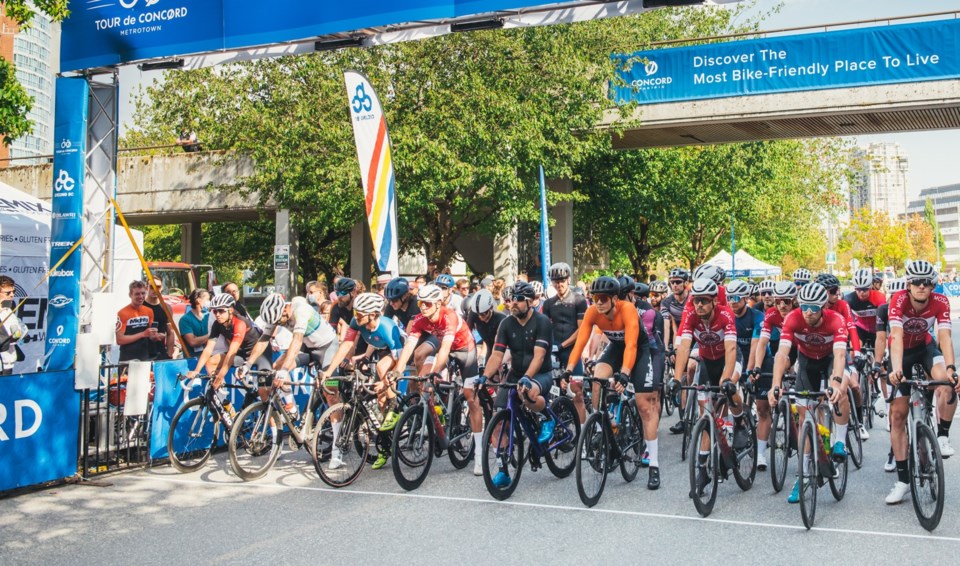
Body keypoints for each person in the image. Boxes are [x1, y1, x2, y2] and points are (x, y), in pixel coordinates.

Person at [561, 276, 659, 489]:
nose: (598, 302)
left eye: (603, 298)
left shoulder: (627, 310)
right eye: (594, 297)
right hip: (616, 347)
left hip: (640, 350)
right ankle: (601, 425)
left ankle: (654, 464)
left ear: (615, 298)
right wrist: (568, 369)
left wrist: (624, 373)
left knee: (644, 405)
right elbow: (580, 343)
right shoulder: (593, 312)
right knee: (598, 378)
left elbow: (632, 345)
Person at [768, 282, 850, 504]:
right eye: (805, 306)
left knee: (841, 390)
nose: (809, 312)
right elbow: (783, 354)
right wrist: (775, 384)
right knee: (804, 417)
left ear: (823, 306)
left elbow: (840, 356)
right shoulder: (793, 319)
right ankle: (803, 475)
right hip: (807, 363)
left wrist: (836, 382)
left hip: (831, 359)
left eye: (814, 307)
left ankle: (840, 441)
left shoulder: (836, 320)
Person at [886, 260, 958, 504]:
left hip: (924, 347)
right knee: (897, 415)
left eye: (926, 282)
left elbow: (944, 336)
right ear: (908, 284)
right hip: (900, 354)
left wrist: (951, 368)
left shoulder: (940, 302)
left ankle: (943, 436)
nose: (921, 286)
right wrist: (896, 369)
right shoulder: (898, 300)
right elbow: (895, 335)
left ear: (932, 285)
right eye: (916, 282)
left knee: (946, 383)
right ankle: (904, 481)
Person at [393, 283, 484, 475]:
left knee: (470, 397)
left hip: (464, 349)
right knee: (423, 379)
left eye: (427, 303)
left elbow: (445, 350)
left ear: (438, 303)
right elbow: (409, 347)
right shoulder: (420, 319)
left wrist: (436, 371)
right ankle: (436, 409)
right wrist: (397, 370)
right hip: (443, 344)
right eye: (420, 304)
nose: (423, 307)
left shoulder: (448, 316)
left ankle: (479, 453)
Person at [669, 278, 747, 497]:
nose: (699, 305)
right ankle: (703, 470)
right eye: (696, 301)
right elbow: (684, 347)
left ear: (714, 301)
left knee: (730, 391)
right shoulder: (691, 316)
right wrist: (676, 379)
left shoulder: (725, 315)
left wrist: (726, 380)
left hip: (729, 359)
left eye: (704, 301)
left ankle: (740, 422)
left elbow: (731, 349)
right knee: (706, 417)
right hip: (707, 363)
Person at [478, 281, 555, 488]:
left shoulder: (542, 322)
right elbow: (496, 354)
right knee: (498, 421)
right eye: (511, 299)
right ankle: (503, 470)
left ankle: (547, 417)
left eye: (518, 299)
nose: (513, 303)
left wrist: (528, 378)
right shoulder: (506, 323)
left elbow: (539, 357)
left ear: (529, 302)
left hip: (540, 373)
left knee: (526, 393)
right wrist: (484, 376)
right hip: (515, 373)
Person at [321, 292, 404, 470]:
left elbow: (399, 360)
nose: (355, 317)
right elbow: (346, 344)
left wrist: (386, 382)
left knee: (382, 370)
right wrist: (329, 371)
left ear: (373, 314)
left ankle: (396, 407)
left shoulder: (388, 328)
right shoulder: (357, 321)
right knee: (380, 402)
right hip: (376, 349)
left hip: (397, 353)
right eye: (355, 313)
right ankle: (385, 446)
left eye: (359, 315)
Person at [242, 293, 339, 422]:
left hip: (327, 348)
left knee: (331, 391)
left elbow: (297, 341)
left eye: (278, 322)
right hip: (307, 348)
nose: (277, 324)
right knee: (276, 368)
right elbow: (263, 340)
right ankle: (291, 408)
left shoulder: (301, 310)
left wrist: (285, 369)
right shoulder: (277, 315)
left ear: (285, 309)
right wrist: (247, 365)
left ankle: (337, 439)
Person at [186, 293, 265, 417]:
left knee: (264, 394)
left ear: (231, 310)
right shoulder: (218, 324)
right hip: (242, 354)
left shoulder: (239, 323)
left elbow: (232, 352)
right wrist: (196, 370)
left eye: (221, 311)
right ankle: (224, 402)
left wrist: (221, 375)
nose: (217, 314)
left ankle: (275, 430)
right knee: (211, 362)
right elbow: (208, 349)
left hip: (259, 354)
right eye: (214, 311)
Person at [752, 281, 798, 472]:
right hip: (780, 351)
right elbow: (762, 344)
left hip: (800, 350)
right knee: (762, 407)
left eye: (786, 302)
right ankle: (760, 454)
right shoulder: (771, 314)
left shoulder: (802, 313)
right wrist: (756, 367)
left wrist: (795, 367)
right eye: (778, 301)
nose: (782, 306)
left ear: (794, 300)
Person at [542, 262, 588, 419]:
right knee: (550, 392)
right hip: (554, 350)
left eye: (562, 280)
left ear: (568, 279)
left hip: (571, 351)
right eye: (555, 281)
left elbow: (582, 330)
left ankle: (582, 432)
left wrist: (561, 345)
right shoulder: (548, 303)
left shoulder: (579, 300)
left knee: (577, 392)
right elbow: (545, 328)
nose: (559, 284)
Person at [116, 280, 155, 363]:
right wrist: (142, 334)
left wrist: (156, 336)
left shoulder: (149, 311)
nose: (140, 296)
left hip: (144, 357)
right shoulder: (122, 313)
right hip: (127, 358)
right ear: (130, 295)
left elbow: (151, 335)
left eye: (143, 293)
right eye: (137, 294)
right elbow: (119, 340)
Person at [466, 289, 507, 368]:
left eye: (483, 314)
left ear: (490, 308)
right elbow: (468, 335)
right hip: (489, 346)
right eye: (478, 314)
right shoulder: (473, 313)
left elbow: (498, 347)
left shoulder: (500, 318)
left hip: (500, 349)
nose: (480, 317)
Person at [145, 276, 175, 360]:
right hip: (142, 353)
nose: (155, 289)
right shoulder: (140, 306)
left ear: (161, 288)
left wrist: (169, 354)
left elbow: (170, 332)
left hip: (160, 353)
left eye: (158, 287)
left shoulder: (167, 307)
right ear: (146, 287)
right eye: (152, 287)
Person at [0, 276, 24, 375]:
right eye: (8, 293)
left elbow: (21, 330)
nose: (12, 295)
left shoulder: (8, 309)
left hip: (8, 364)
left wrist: (18, 334)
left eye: (13, 291)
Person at [179, 288, 211, 357]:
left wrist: (199, 339)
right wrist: (211, 335)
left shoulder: (209, 316)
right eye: (207, 299)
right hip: (192, 359)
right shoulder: (185, 320)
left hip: (209, 356)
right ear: (198, 300)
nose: (209, 302)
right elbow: (192, 342)